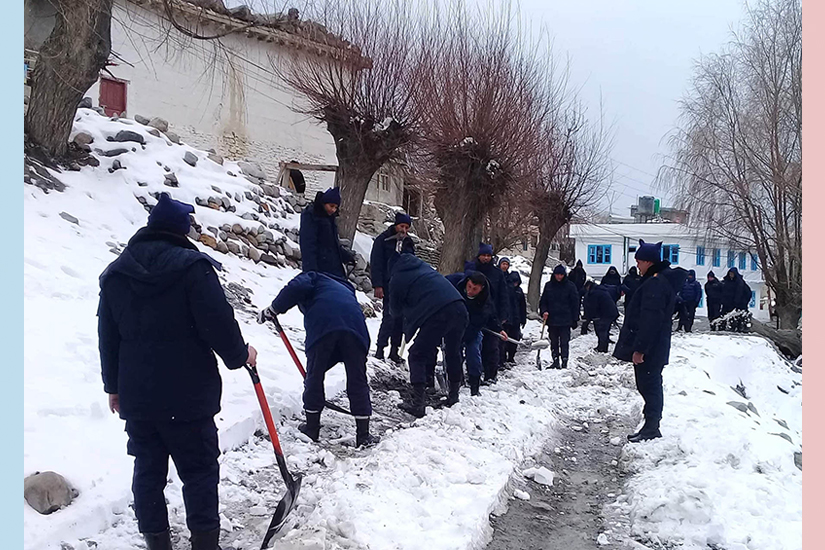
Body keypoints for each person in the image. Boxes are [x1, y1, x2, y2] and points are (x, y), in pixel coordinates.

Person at [98, 193, 256, 550]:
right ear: (181, 230)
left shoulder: (116, 273)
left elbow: (108, 337)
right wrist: (240, 355)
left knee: (147, 471)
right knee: (199, 471)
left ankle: (157, 543)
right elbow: (218, 322)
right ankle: (204, 543)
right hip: (188, 397)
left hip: (138, 396)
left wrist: (113, 386)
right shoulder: (191, 268)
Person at [260, 271, 378, 448]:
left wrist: (274, 309)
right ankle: (363, 435)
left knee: (315, 376)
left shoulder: (313, 276)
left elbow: (296, 287)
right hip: (356, 331)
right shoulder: (346, 287)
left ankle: (312, 428)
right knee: (357, 379)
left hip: (325, 327)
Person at [613, 240, 687, 443]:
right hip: (656, 346)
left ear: (648, 261)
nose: (637, 265)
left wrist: (640, 349)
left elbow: (650, 319)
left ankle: (652, 426)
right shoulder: (658, 280)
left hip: (651, 348)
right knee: (648, 384)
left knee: (650, 385)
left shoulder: (655, 283)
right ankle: (650, 424)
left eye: (639, 261)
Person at [390, 249, 469, 417]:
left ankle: (418, 403)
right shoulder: (425, 269)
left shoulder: (397, 277)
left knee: (416, 354)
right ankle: (453, 396)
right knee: (453, 352)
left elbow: (395, 311)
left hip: (439, 313)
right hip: (460, 308)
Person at [370, 212, 415, 362]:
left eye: (407, 227)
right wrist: (378, 285)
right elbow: (376, 264)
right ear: (396, 225)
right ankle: (380, 348)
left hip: (403, 287)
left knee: (400, 320)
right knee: (388, 318)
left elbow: (412, 263)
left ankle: (394, 351)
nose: (404, 230)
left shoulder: (408, 243)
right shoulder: (382, 240)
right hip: (388, 284)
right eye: (402, 226)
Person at [454, 271, 506, 396]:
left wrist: (500, 329)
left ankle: (474, 385)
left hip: (474, 329)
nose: (470, 291)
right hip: (456, 328)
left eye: (475, 289)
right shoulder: (457, 290)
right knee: (454, 355)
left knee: (473, 354)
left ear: (481, 289)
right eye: (469, 287)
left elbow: (492, 317)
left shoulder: (485, 302)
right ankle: (454, 382)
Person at [466, 243, 511, 384]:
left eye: (488, 255)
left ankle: (490, 374)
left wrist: (503, 315)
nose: (486, 258)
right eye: (483, 255)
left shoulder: (497, 273)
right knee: (473, 345)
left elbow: (503, 295)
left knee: (491, 346)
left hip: (493, 314)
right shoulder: (471, 271)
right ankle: (473, 373)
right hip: (474, 313)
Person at [299, 187, 354, 280]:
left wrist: (346, 256)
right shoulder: (311, 215)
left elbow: (332, 244)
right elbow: (308, 244)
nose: (333, 210)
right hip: (319, 269)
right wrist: (311, 271)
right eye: (331, 206)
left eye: (336, 207)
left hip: (332, 268)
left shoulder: (330, 219)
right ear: (324, 203)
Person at [539, 265, 580, 369]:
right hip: (552, 319)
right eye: (557, 274)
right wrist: (544, 311)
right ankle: (555, 360)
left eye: (561, 275)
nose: (559, 277)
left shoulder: (570, 286)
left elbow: (575, 303)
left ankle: (565, 360)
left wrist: (575, 318)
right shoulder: (549, 286)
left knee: (564, 341)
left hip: (565, 319)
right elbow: (543, 301)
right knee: (554, 341)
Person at [582, 279, 619, 353]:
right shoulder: (600, 289)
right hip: (610, 312)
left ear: (588, 287)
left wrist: (591, 317)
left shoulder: (594, 293)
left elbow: (593, 306)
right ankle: (602, 346)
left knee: (601, 330)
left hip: (604, 314)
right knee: (604, 330)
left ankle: (603, 348)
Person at [505, 271, 527, 364]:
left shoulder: (519, 291)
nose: (515, 283)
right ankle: (503, 357)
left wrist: (523, 319)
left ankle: (511, 356)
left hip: (516, 318)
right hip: (506, 318)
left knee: (514, 338)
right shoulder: (505, 290)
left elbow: (522, 306)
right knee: (505, 339)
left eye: (516, 281)